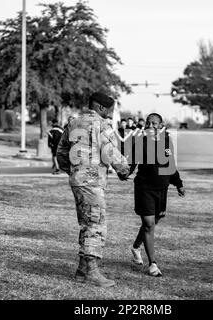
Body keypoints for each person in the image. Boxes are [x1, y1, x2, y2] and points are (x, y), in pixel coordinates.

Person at [56, 92, 130, 288]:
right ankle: (92, 271)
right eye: (110, 110)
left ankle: (82, 270)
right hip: (92, 182)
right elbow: (110, 152)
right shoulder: (103, 125)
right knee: (95, 224)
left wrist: (73, 171)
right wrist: (124, 169)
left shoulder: (73, 122)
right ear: (101, 107)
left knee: (87, 222)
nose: (110, 114)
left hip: (78, 180)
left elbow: (61, 152)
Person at [128, 113, 185, 277]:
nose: (151, 126)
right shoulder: (140, 142)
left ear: (161, 125)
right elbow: (132, 163)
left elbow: (171, 164)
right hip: (144, 187)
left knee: (154, 221)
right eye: (148, 123)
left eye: (154, 123)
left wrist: (178, 183)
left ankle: (136, 246)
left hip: (162, 188)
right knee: (148, 223)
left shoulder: (167, 142)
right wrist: (124, 172)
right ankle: (153, 264)